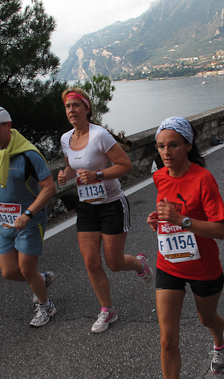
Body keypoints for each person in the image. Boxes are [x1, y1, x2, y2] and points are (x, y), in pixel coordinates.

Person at [146, 117, 224, 379]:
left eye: (173, 145)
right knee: (167, 339)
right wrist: (158, 220)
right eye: (161, 146)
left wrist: (182, 221)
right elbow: (166, 214)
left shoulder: (203, 179)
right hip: (169, 264)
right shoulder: (159, 177)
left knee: (207, 319)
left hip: (203, 267)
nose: (166, 152)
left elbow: (220, 230)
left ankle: (220, 342)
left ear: (188, 145)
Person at [57, 87, 152, 334]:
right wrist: (64, 175)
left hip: (112, 204)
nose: (71, 110)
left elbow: (125, 165)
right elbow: (72, 167)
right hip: (86, 207)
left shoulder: (100, 135)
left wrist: (97, 175)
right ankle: (108, 310)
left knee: (114, 262)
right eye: (68, 107)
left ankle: (139, 264)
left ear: (86, 108)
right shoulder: (66, 139)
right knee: (91, 262)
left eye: (76, 105)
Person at [0, 107, 57, 327]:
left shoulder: (29, 155)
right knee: (9, 271)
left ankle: (46, 306)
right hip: (4, 222)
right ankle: (41, 279)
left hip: (29, 221)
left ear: (8, 126)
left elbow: (49, 188)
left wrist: (28, 213)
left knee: (26, 268)